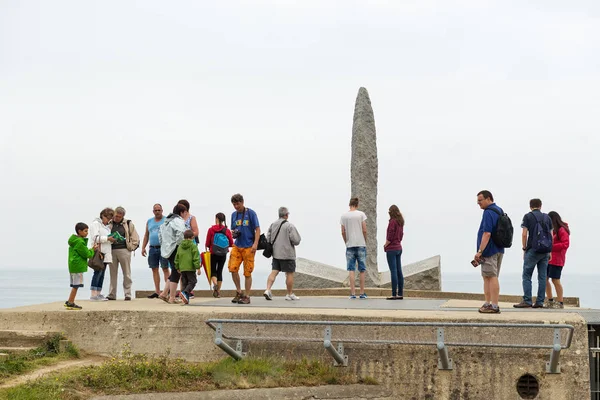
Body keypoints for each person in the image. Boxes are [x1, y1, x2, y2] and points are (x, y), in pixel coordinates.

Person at [514, 198, 553, 309]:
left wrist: (524, 248)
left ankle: (527, 300)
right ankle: (540, 302)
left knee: (527, 275)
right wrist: (550, 251)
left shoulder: (528, 216)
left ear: (530, 206)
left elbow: (524, 234)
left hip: (532, 249)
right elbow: (551, 235)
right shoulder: (547, 217)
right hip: (545, 251)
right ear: (541, 206)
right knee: (542, 277)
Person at [473, 190, 505, 314]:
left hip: (489, 250)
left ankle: (494, 305)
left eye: (480, 200)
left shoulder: (488, 212)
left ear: (488, 198)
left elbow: (487, 233)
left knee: (491, 276)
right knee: (487, 276)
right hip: (498, 248)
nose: (478, 203)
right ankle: (488, 303)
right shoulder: (499, 210)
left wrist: (480, 251)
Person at [263, 207, 302, 301]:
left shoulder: (273, 225)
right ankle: (289, 294)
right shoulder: (289, 226)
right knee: (289, 274)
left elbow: (268, 238)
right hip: (287, 254)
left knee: (274, 272)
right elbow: (296, 240)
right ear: (286, 215)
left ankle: (268, 289)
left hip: (276, 254)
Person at [228, 193, 260, 305]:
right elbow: (233, 229)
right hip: (237, 245)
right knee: (232, 268)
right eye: (234, 204)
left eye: (237, 204)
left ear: (242, 202)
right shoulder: (233, 215)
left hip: (249, 246)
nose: (236, 206)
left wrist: (255, 244)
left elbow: (257, 229)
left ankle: (247, 295)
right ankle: (239, 291)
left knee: (247, 272)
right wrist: (233, 233)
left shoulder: (251, 213)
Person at [107, 206, 140, 301]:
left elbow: (135, 237)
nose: (117, 218)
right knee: (112, 274)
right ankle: (112, 294)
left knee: (127, 273)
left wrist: (131, 247)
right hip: (111, 250)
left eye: (119, 216)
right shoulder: (109, 223)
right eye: (116, 216)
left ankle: (128, 294)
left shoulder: (128, 223)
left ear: (123, 216)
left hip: (124, 250)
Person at [159, 204, 187, 304]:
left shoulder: (165, 222)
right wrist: (181, 245)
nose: (186, 215)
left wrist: (164, 246)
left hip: (167, 249)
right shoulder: (178, 221)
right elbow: (180, 232)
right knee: (177, 271)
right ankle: (172, 297)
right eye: (185, 212)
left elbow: (160, 236)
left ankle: (164, 293)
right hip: (175, 248)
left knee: (174, 271)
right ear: (182, 212)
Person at [340, 197, 368, 299]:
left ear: (349, 204)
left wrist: (346, 241)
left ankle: (352, 293)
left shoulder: (344, 216)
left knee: (351, 269)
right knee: (362, 269)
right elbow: (364, 229)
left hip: (350, 244)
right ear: (357, 205)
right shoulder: (361, 214)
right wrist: (364, 240)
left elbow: (343, 231)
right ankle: (362, 293)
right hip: (360, 244)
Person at [141, 204, 171, 298]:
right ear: (153, 211)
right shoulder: (149, 221)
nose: (157, 212)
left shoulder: (166, 220)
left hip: (163, 247)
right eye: (155, 210)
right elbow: (146, 235)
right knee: (154, 269)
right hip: (153, 248)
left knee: (165, 268)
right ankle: (157, 291)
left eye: (159, 210)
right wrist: (143, 247)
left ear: (162, 210)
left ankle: (168, 290)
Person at [66, 223, 98, 310]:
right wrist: (93, 250)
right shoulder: (80, 242)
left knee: (74, 285)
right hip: (78, 266)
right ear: (79, 231)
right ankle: (71, 302)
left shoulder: (74, 241)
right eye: (85, 231)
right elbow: (87, 254)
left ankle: (69, 300)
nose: (87, 233)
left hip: (73, 265)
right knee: (76, 285)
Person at [88, 208, 115, 301]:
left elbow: (106, 239)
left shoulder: (106, 226)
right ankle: (93, 294)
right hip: (99, 252)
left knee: (102, 274)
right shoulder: (95, 224)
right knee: (97, 273)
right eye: (108, 218)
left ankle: (98, 293)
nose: (108, 220)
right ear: (103, 216)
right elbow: (95, 238)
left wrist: (112, 239)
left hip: (106, 253)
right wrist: (107, 238)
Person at [205, 212, 233, 298]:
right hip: (223, 254)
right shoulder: (227, 230)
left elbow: (207, 242)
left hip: (213, 253)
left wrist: (207, 248)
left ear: (216, 219)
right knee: (219, 271)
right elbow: (231, 243)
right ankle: (218, 292)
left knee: (213, 271)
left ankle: (215, 284)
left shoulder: (211, 229)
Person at [545, 211, 570, 309]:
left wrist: (551, 247)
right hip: (549, 258)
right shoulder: (553, 230)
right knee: (545, 279)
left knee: (555, 280)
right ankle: (550, 300)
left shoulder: (562, 230)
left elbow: (565, 244)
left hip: (557, 259)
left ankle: (560, 302)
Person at [384, 205, 404, 300]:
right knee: (399, 271)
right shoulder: (400, 222)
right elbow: (401, 235)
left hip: (391, 249)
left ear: (391, 212)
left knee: (393, 271)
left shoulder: (392, 222)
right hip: (399, 248)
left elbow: (390, 236)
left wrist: (385, 245)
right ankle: (400, 293)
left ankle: (393, 294)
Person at [174, 230, 200, 304]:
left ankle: (186, 299)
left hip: (182, 268)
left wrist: (177, 267)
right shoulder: (193, 245)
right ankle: (185, 293)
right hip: (190, 268)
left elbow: (177, 257)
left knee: (185, 283)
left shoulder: (180, 246)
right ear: (192, 237)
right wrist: (198, 267)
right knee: (193, 281)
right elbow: (196, 257)